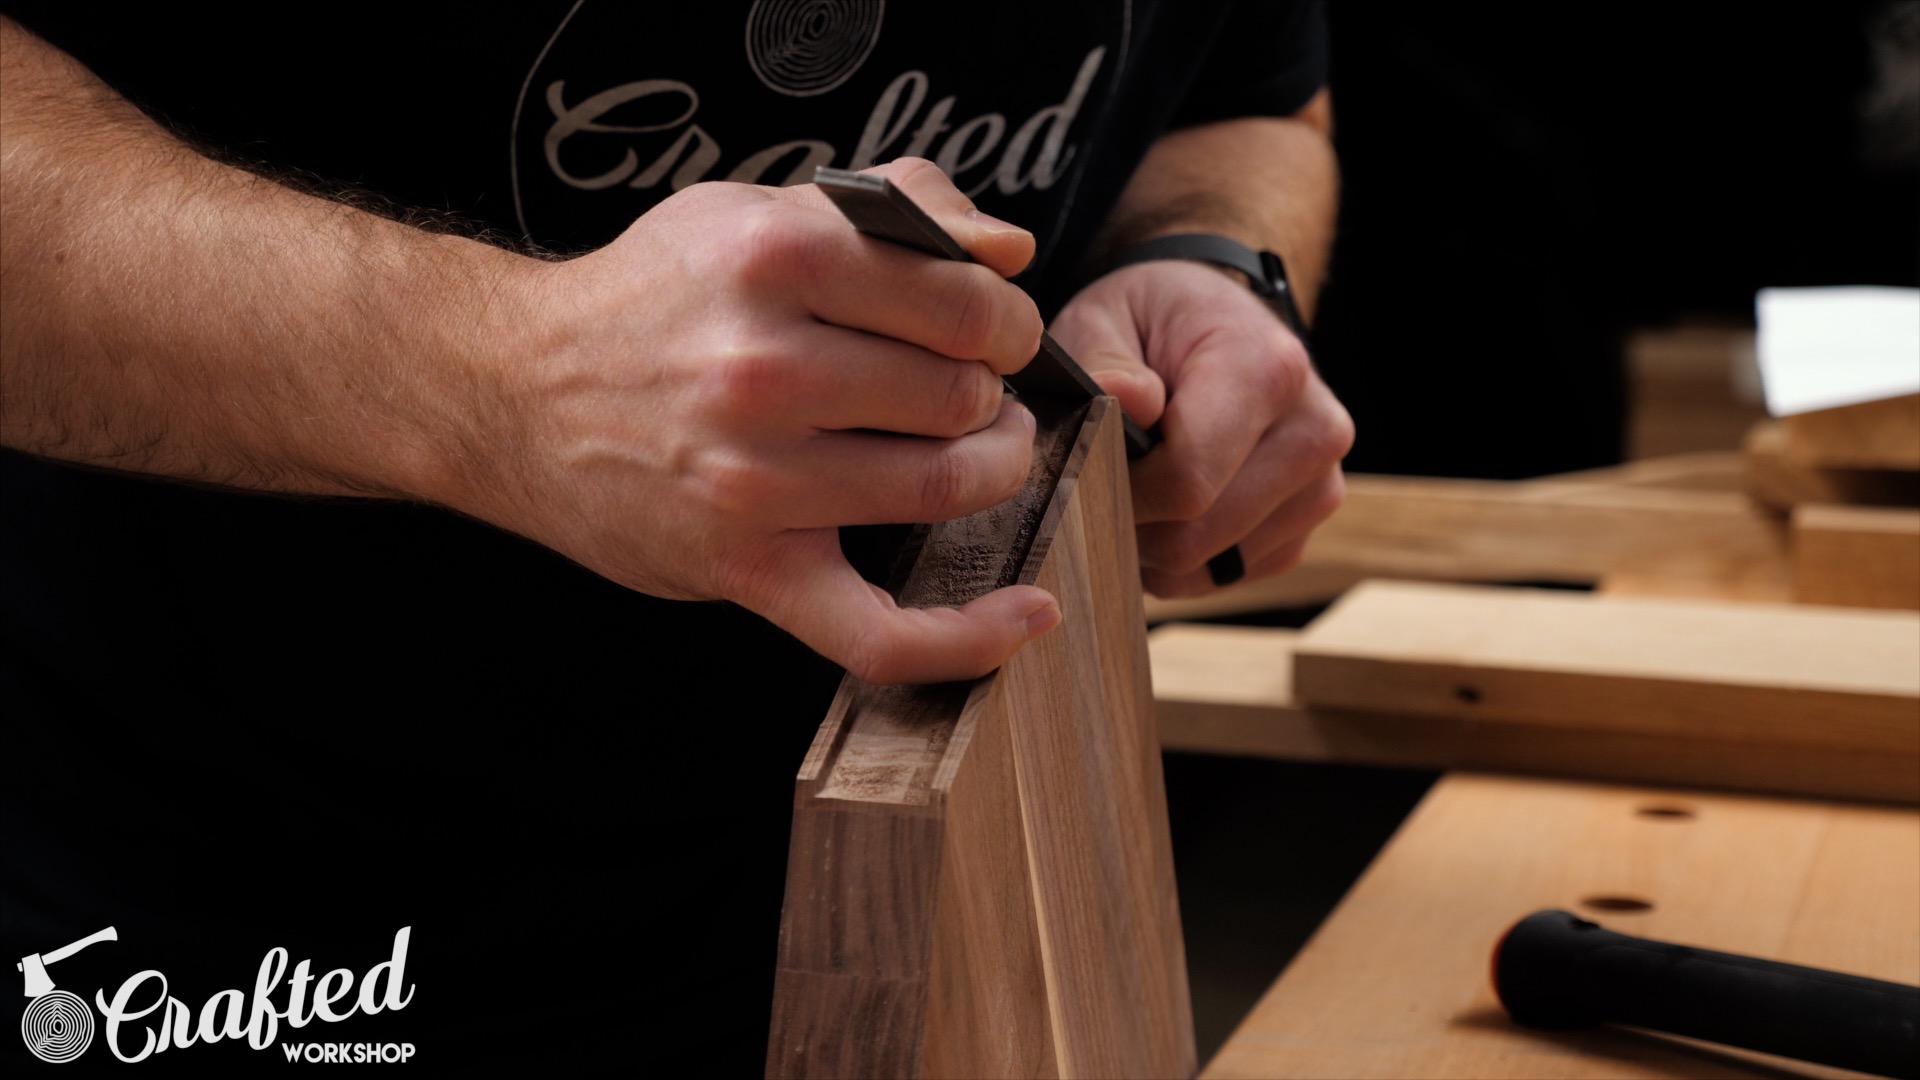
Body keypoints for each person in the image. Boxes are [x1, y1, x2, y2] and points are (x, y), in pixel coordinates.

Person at [1, 3, 1350, 1069]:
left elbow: (1248, 100)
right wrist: (492, 374)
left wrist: (1215, 264)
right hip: (205, 930)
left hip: (926, 900)